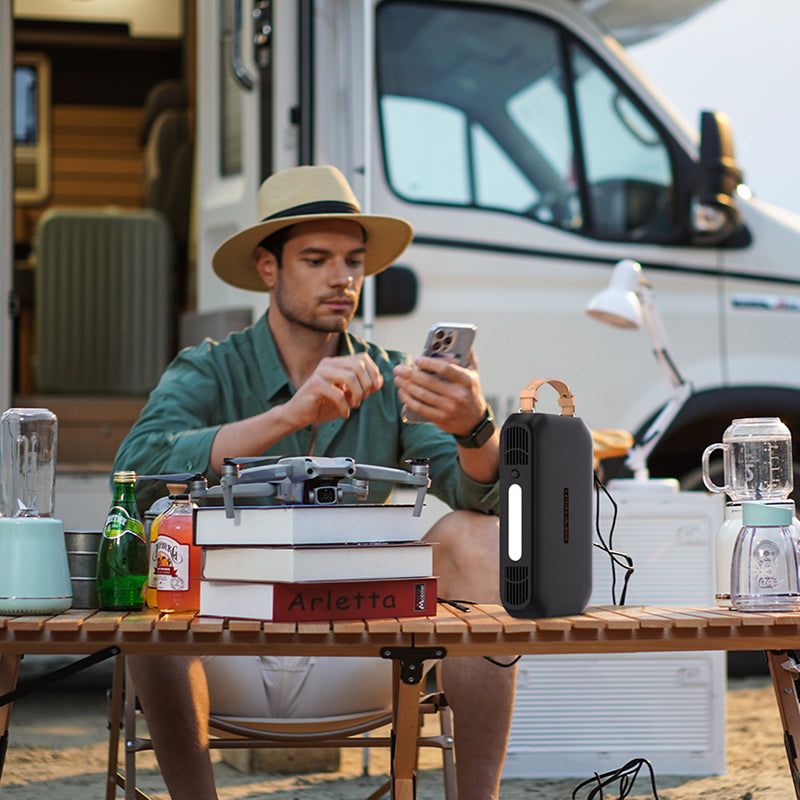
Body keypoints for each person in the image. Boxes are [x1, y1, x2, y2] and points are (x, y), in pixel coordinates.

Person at [114, 165, 515, 800]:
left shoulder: (388, 375)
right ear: (268, 268)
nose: (343, 278)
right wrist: (287, 415)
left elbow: (476, 492)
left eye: (354, 260)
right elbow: (136, 472)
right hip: (221, 650)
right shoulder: (210, 367)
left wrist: (476, 428)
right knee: (156, 554)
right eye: (317, 258)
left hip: (364, 652)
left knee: (480, 538)